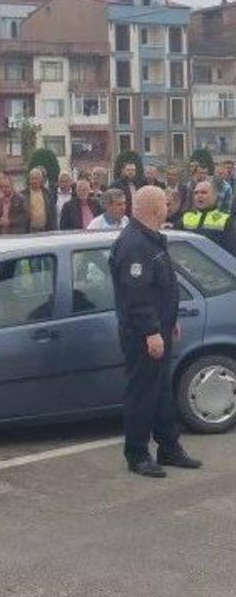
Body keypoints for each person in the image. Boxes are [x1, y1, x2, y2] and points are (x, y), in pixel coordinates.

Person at [109, 186, 202, 478]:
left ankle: (169, 448)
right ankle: (136, 454)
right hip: (142, 334)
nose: (169, 204)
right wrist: (151, 331)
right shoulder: (135, 244)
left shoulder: (151, 238)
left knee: (161, 391)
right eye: (165, 201)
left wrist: (168, 320)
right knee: (142, 393)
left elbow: (160, 288)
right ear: (153, 208)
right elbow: (136, 295)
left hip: (158, 327)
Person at [179, 180, 236, 256]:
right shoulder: (185, 217)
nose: (199, 195)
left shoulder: (224, 219)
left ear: (215, 196)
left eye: (204, 192)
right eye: (196, 193)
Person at [23, 168, 56, 233]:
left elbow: (53, 213)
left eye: (36, 178)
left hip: (46, 230)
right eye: (32, 179)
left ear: (41, 180)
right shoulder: (24, 195)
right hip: (29, 230)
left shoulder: (48, 194)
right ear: (29, 180)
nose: (34, 181)